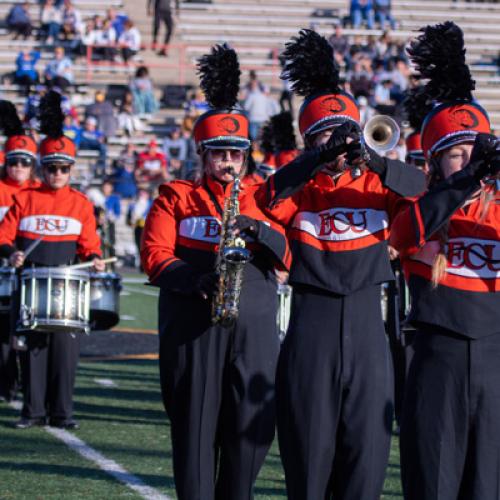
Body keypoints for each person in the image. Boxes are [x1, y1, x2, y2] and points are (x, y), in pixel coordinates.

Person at [258, 30, 425, 500]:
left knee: (367, 459)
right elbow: (264, 201)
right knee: (309, 462)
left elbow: (423, 193)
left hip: (370, 327)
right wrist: (313, 161)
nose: (339, 142)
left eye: (344, 133)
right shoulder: (302, 189)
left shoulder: (376, 185)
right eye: (327, 135)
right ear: (310, 141)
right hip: (311, 326)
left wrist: (373, 158)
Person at [140, 44, 291, 500]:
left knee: (251, 427)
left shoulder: (265, 194)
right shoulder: (176, 195)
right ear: (203, 154)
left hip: (254, 326)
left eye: (236, 154)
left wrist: (258, 228)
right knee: (194, 429)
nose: (228, 162)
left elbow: (289, 254)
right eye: (219, 153)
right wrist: (193, 279)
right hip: (194, 323)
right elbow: (154, 254)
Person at [390, 22, 500, 499]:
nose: (467, 160)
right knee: (433, 483)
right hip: (438, 360)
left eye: (473, 153)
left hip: (496, 360)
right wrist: (464, 181)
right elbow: (401, 237)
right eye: (456, 154)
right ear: (434, 163)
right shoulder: (420, 203)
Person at [0, 91, 105, 429]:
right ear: (41, 168)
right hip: (30, 282)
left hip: (68, 287)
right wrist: (11, 253)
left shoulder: (81, 203)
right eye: (50, 168)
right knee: (32, 349)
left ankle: (62, 413)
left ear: (71, 170)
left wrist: (97, 259)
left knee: (65, 351)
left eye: (63, 168)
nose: (57, 174)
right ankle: (31, 412)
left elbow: (90, 244)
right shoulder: (26, 198)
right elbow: (3, 235)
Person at [0, 101, 39, 403]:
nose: (19, 168)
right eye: (14, 162)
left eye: (25, 162)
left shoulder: (39, 189)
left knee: (27, 330)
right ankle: (5, 384)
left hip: (28, 268)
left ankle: (30, 386)